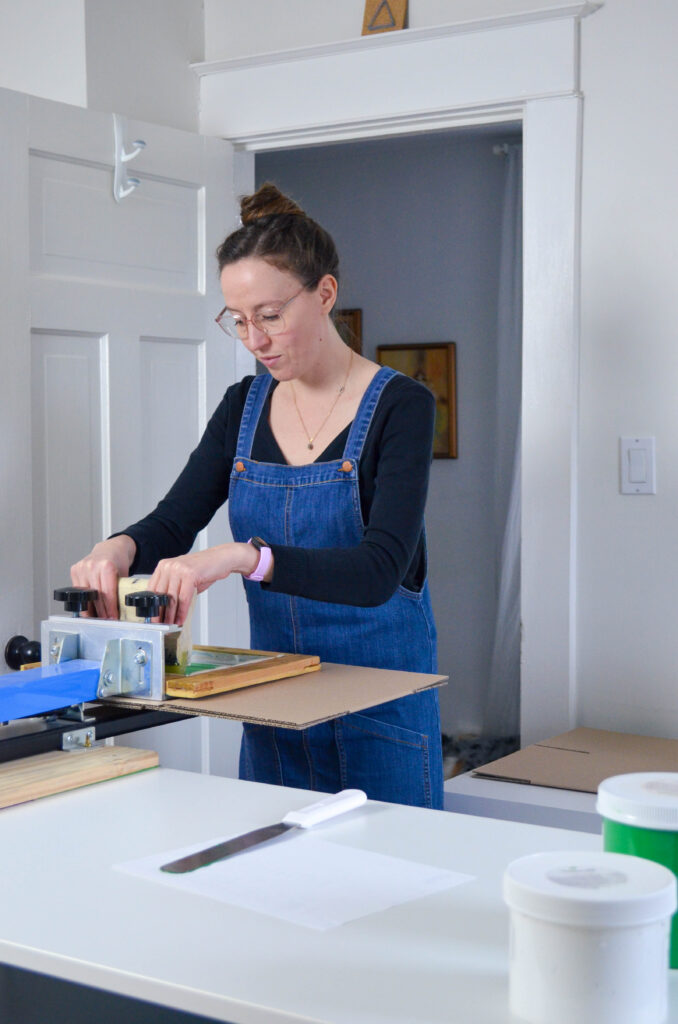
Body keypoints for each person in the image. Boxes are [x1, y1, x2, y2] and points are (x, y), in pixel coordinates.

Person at [71, 183, 444, 809]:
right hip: (277, 707)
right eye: (238, 320)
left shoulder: (402, 406)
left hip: (381, 709)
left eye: (270, 316)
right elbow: (173, 522)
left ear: (324, 293)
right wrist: (117, 547)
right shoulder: (243, 407)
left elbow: (381, 570)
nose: (254, 338)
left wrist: (247, 557)